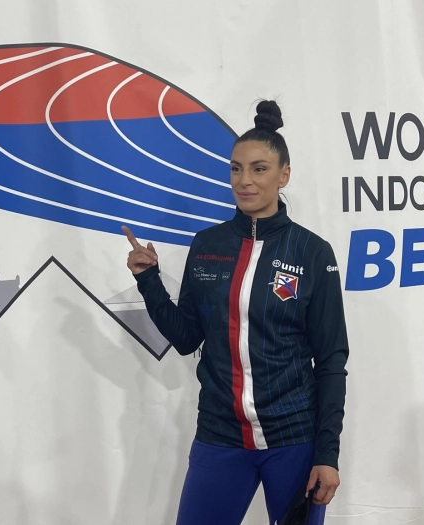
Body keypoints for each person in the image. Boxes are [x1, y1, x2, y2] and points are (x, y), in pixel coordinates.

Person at [123, 100, 349, 525]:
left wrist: (327, 455)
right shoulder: (208, 245)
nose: (245, 181)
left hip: (293, 441)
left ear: (284, 175)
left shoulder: (312, 253)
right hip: (220, 435)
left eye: (259, 169)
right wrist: (149, 280)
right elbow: (186, 338)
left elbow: (331, 361)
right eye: (236, 169)